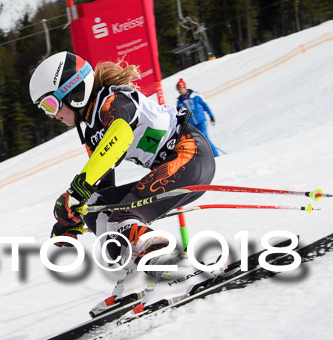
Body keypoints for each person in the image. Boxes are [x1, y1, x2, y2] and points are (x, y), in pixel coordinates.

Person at [29, 52, 216, 308]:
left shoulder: (113, 100)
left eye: (50, 105)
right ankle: (139, 274)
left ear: (73, 92)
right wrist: (70, 221)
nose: (51, 115)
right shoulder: (90, 128)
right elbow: (100, 183)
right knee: (100, 211)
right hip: (171, 167)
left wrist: (76, 190)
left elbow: (119, 137)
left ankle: (179, 270)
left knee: (124, 217)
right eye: (43, 109)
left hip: (190, 155)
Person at [176, 78, 219, 157]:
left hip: (201, 121)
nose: (179, 90)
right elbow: (180, 114)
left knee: (204, 139)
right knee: (197, 142)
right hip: (192, 124)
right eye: (178, 89)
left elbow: (205, 105)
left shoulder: (195, 95)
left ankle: (216, 155)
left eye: (180, 88)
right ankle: (208, 157)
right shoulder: (180, 101)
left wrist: (211, 116)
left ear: (184, 87)